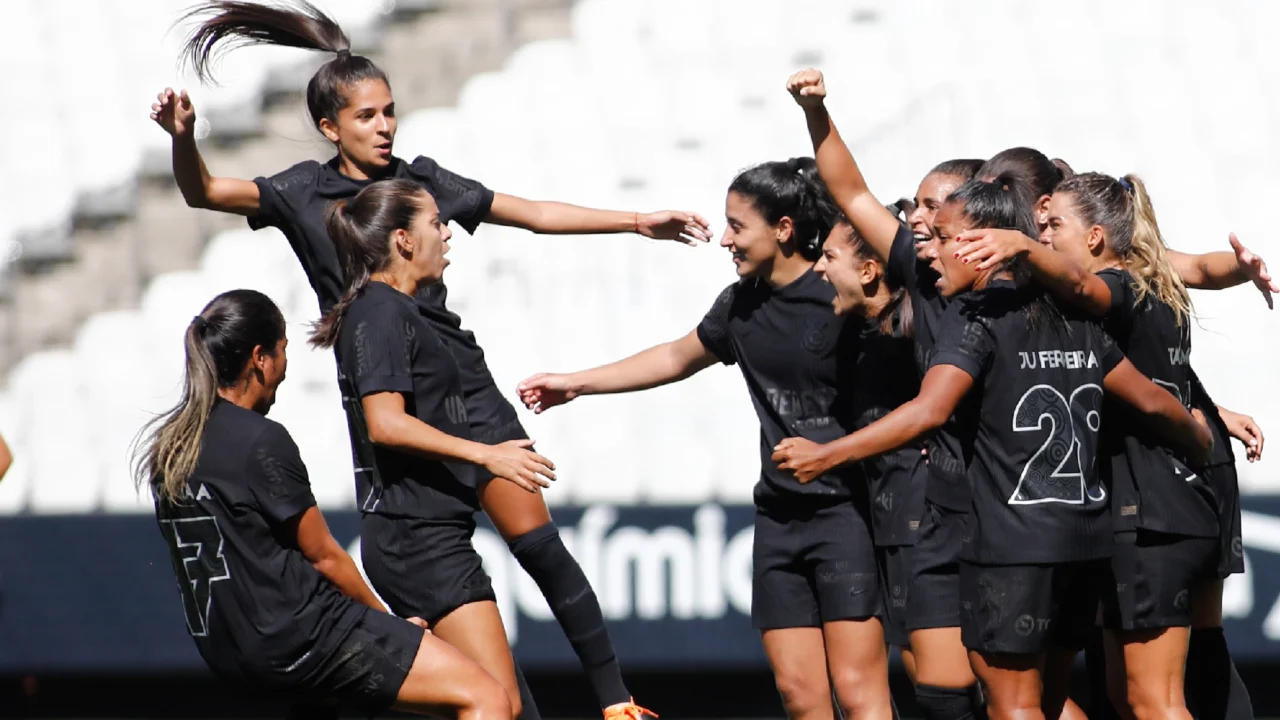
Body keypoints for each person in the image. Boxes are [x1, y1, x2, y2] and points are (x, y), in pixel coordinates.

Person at [151, 2, 710, 716]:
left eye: (390, 112)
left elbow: (531, 212)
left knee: (542, 549)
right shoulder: (303, 191)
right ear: (331, 128)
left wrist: (635, 220)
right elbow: (202, 191)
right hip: (389, 394)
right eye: (367, 117)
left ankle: (615, 701)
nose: (385, 127)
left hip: (456, 381)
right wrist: (184, 138)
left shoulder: (418, 183)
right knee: (477, 659)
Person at [773, 174, 1213, 720]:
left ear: (983, 243)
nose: (930, 253)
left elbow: (928, 410)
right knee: (1049, 702)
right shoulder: (1073, 316)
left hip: (1012, 546)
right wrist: (1200, 436)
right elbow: (1150, 400)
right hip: (1084, 543)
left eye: (944, 238)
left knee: (1012, 705)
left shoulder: (977, 320)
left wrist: (829, 454)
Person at [518, 159, 893, 720]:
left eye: (737, 226)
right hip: (779, 519)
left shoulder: (841, 292)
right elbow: (676, 356)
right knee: (798, 694)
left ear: (784, 229)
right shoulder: (739, 304)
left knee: (859, 691)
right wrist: (577, 383)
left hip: (848, 515)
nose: (725, 239)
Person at [950, 173, 1263, 720]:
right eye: (1037, 224)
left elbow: (1086, 290)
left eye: (1053, 225)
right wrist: (1240, 268)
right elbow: (1200, 273)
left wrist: (1019, 245)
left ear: (1094, 237)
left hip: (1152, 508)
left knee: (1153, 699)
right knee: (1133, 694)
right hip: (1181, 494)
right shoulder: (1152, 274)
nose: (1042, 235)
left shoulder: (1113, 286)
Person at [134, 288, 512, 719]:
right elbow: (325, 557)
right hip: (301, 636)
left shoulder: (171, 448)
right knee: (486, 697)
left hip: (228, 651)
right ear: (260, 358)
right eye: (282, 352)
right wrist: (390, 625)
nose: (284, 369)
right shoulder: (260, 440)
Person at [310, 178, 556, 720]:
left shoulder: (395, 310)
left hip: (428, 536)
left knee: (499, 704)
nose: (447, 233)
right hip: (417, 542)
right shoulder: (382, 313)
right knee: (497, 705)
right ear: (402, 240)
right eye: (434, 224)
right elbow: (386, 423)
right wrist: (486, 453)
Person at [786, 67, 985, 720]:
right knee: (958, 693)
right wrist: (817, 112)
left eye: (932, 206)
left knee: (998, 696)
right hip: (936, 511)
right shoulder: (924, 277)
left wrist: (828, 455)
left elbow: (931, 409)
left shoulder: (1007, 295)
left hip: (991, 515)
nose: (916, 216)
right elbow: (850, 189)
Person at [811, 212, 926, 684]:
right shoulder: (861, 333)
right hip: (894, 522)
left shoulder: (916, 335)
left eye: (829, 257)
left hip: (928, 526)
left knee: (985, 689)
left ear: (868, 271)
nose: (819, 268)